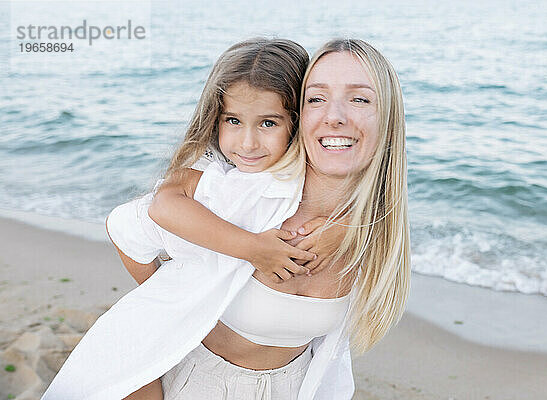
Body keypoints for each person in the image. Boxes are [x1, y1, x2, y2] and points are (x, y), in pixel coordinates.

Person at [46, 38, 411, 400]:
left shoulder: (376, 230)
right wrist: (173, 306)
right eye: (317, 98)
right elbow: (127, 228)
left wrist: (348, 230)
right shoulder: (242, 196)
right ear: (302, 116)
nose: (334, 116)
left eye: (360, 99)